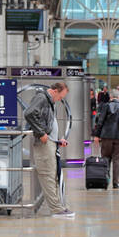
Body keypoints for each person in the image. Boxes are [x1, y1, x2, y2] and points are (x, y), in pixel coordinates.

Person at [22, 80, 74, 218]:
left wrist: (57, 139)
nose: (60, 100)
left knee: (53, 176)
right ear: (55, 91)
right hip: (44, 145)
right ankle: (56, 209)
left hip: (51, 143)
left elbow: (47, 122)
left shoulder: (48, 101)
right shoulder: (42, 98)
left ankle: (59, 206)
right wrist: (41, 133)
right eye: (60, 97)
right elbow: (29, 113)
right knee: (48, 177)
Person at [91, 91, 119, 189]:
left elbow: (100, 121)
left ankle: (105, 180)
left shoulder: (106, 106)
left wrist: (96, 135)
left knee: (106, 158)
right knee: (117, 160)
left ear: (111, 96)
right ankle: (115, 183)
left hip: (106, 136)